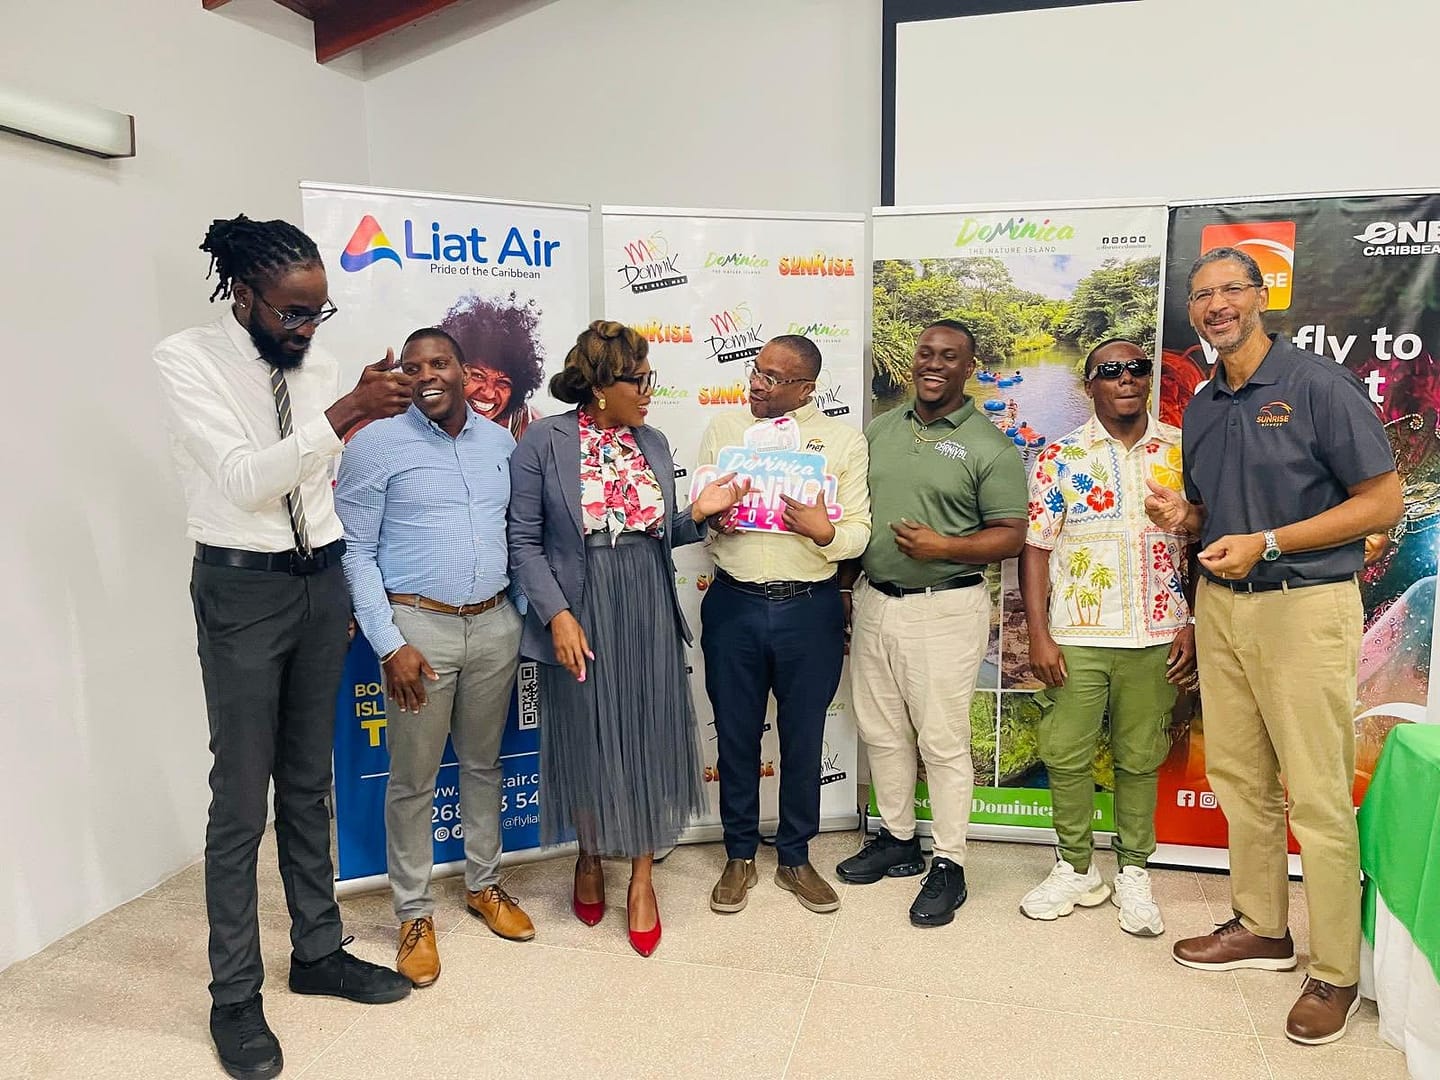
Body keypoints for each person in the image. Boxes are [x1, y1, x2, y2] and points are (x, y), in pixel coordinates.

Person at [153, 214, 414, 1080]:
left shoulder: (323, 367)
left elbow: (314, 480)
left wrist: (334, 577)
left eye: (318, 313)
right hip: (241, 590)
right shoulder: (186, 360)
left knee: (309, 782)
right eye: (293, 313)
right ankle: (234, 997)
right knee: (240, 799)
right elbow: (244, 481)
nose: (306, 329)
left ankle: (318, 951)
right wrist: (344, 416)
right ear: (243, 294)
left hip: (319, 581)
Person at [1144, 247, 1402, 1045]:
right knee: (1238, 776)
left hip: (1304, 608)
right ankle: (1261, 927)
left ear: (1261, 297)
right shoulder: (1204, 406)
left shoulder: (1317, 386)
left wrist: (1272, 541)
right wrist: (1188, 519)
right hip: (1224, 607)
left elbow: (1382, 501)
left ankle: (1336, 972)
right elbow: (1216, 511)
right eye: (1202, 295)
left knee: (1316, 794)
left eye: (1231, 289)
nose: (1216, 305)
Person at [506, 320, 748, 957]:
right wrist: (557, 615)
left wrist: (700, 514)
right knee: (586, 732)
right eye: (636, 380)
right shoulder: (543, 441)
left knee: (647, 732)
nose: (647, 392)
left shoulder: (655, 442)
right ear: (598, 385)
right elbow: (523, 542)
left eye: (649, 379)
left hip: (645, 601)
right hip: (580, 605)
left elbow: (660, 533)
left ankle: (642, 878)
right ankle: (589, 853)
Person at [334, 327, 533, 990]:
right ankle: (414, 915)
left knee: (483, 764)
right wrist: (389, 643)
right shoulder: (375, 444)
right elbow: (356, 552)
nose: (427, 376)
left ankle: (484, 885)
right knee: (413, 780)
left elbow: (516, 535)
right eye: (414, 366)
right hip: (417, 631)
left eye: (439, 363)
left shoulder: (500, 444)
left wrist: (522, 616)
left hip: (495, 626)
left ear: (462, 371)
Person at [836, 319, 1028, 926]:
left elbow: (1011, 535)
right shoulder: (880, 430)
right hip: (873, 600)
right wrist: (845, 587)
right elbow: (859, 514)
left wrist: (943, 546)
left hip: (945, 606)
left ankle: (950, 862)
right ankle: (898, 839)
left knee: (942, 742)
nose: (933, 364)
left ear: (968, 368)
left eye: (949, 356)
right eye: (926, 353)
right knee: (882, 730)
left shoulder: (990, 446)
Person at [1018, 339, 1195, 935]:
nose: (1126, 378)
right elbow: (1036, 548)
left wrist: (1193, 621)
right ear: (1089, 383)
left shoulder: (1181, 450)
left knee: (1140, 757)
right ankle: (1075, 868)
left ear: (1148, 379)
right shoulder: (1060, 456)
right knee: (1065, 751)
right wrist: (1039, 634)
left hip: (1158, 631)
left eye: (1136, 368)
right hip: (1078, 631)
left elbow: (1204, 540)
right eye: (1110, 370)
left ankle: (1134, 871)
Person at [697, 336, 871, 916]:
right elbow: (699, 509)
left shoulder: (842, 442)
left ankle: (795, 856)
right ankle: (739, 854)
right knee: (735, 735)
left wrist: (826, 532)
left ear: (806, 389)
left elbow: (860, 532)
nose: (757, 383)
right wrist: (715, 519)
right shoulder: (725, 430)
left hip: (810, 609)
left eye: (773, 378)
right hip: (733, 604)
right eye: (756, 370)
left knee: (803, 736)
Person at [440, 291, 547, 439]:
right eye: (478, 376)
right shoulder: (424, 412)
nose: (489, 393)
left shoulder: (529, 427)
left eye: (503, 382)